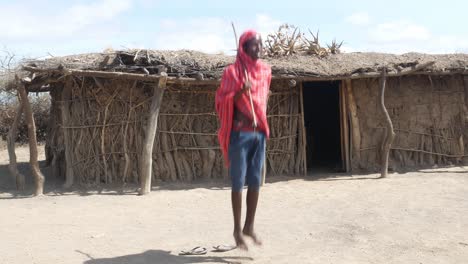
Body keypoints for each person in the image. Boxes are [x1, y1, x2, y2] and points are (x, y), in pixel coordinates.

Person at [215, 29, 271, 250]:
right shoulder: (233, 73)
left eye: (260, 44)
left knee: (256, 181)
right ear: (243, 48)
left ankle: (249, 225)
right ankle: (237, 230)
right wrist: (240, 92)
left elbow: (262, 97)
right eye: (254, 45)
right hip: (240, 134)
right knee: (238, 182)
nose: (259, 48)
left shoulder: (265, 71)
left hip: (259, 133)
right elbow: (221, 101)